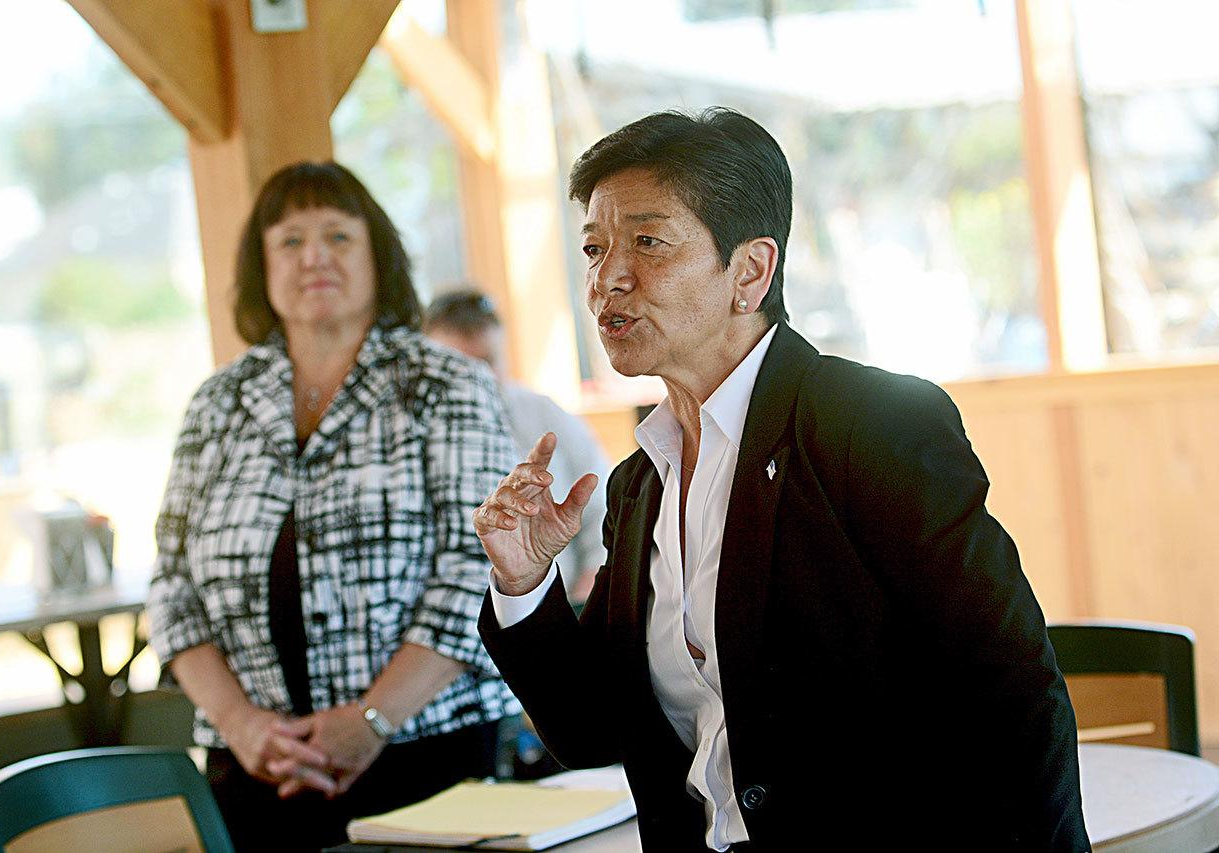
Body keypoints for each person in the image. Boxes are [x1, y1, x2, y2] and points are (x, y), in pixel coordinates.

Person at [473, 109, 1089, 851]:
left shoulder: (871, 423)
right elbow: (590, 728)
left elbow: (1015, 692)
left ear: (751, 271)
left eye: (647, 242)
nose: (609, 278)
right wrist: (523, 581)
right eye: (594, 248)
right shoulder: (640, 483)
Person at [147, 161, 518, 852]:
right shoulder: (217, 402)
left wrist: (373, 717)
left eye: (338, 236)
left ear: (378, 256)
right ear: (262, 267)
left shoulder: (446, 383)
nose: (313, 255)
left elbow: (480, 569)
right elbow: (170, 586)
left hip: (427, 750)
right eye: (289, 240)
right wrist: (240, 722)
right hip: (256, 765)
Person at [424, 288, 610, 603]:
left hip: (561, 610)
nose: (476, 380)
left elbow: (603, 505)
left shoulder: (544, 413)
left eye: (487, 362)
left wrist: (588, 595)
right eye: (459, 368)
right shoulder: (409, 440)